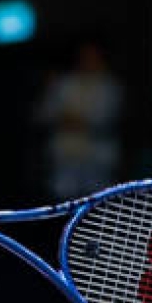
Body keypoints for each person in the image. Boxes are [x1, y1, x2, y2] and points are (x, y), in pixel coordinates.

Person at [34, 40, 123, 200]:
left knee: (97, 206)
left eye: (93, 57)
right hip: (65, 159)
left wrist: (73, 120)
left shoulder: (110, 87)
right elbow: (44, 114)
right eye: (85, 57)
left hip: (97, 161)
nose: (89, 61)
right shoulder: (63, 84)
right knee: (63, 205)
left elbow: (104, 120)